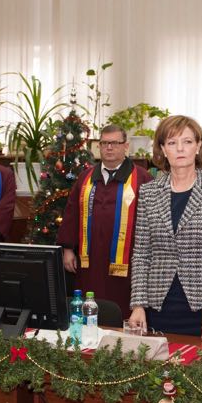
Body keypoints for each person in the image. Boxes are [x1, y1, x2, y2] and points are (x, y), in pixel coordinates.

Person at [128, 116, 202, 341]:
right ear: (162, 149)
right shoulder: (148, 192)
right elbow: (141, 253)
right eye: (171, 142)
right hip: (156, 306)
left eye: (187, 142)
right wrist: (138, 304)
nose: (180, 149)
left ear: (198, 146)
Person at [58, 124, 152, 316]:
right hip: (90, 261)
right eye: (105, 143)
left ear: (126, 147)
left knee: (121, 311)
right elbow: (71, 212)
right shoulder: (85, 178)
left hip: (128, 264)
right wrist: (67, 249)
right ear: (98, 146)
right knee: (89, 309)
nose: (109, 148)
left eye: (115, 143)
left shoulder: (143, 179)